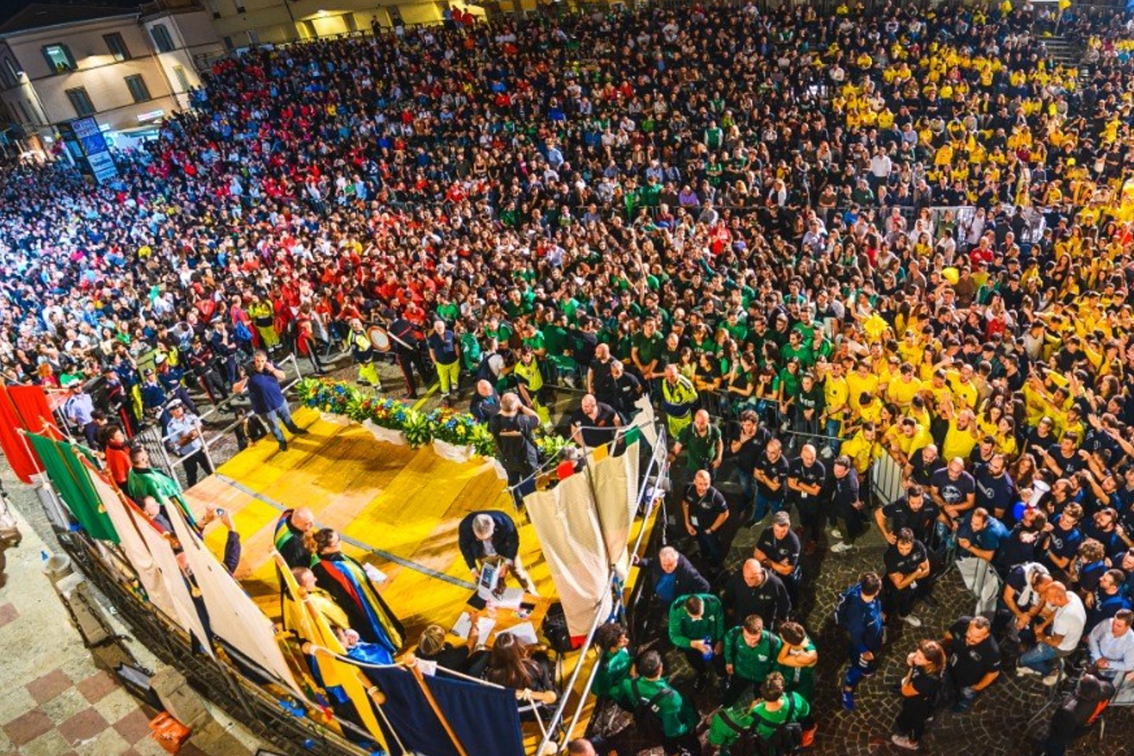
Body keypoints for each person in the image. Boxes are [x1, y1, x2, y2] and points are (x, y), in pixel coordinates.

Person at [309, 528, 404, 662]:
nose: (340, 544)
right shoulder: (321, 569)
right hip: (355, 603)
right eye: (336, 543)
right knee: (369, 624)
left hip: (364, 595)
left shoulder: (334, 555)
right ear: (326, 549)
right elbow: (339, 594)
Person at [613, 650, 699, 756]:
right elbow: (672, 731)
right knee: (689, 745)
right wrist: (689, 724)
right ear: (660, 668)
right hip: (664, 725)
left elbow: (619, 693)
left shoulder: (629, 684)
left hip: (651, 721)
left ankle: (672, 752)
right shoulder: (672, 699)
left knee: (668, 745)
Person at [1019, 582, 1087, 685]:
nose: (1046, 600)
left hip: (1061, 648)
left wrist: (1042, 637)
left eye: (1048, 598)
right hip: (1067, 635)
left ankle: (1053, 672)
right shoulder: (1070, 595)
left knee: (1023, 660)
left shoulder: (1064, 618)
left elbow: (1055, 643)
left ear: (1058, 598)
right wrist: (1043, 625)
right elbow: (1057, 611)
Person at [1033, 673, 1115, 756]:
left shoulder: (1070, 710)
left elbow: (1059, 726)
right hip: (1088, 724)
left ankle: (1047, 750)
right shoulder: (1107, 688)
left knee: (1057, 742)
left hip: (1072, 728)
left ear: (1081, 692)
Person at [457, 511, 538, 595]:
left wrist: (508, 563)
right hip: (484, 555)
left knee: (519, 572)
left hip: (505, 549)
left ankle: (532, 594)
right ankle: (501, 598)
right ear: (473, 531)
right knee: (492, 583)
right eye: (480, 539)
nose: (486, 541)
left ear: (494, 526)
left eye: (489, 537)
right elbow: (465, 548)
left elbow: (513, 543)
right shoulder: (465, 527)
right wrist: (473, 569)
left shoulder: (505, 522)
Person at [241, 350, 307, 452]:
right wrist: (244, 378)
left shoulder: (270, 365)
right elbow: (237, 389)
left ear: (266, 360)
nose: (260, 364)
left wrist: (272, 369)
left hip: (279, 401)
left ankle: (294, 429)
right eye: (258, 361)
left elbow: (283, 376)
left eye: (262, 361)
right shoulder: (248, 370)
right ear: (254, 360)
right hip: (265, 408)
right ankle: (282, 441)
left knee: (287, 418)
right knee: (273, 426)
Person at [837, 571, 884, 711]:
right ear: (876, 591)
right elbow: (856, 636)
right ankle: (847, 689)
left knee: (865, 667)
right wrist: (864, 651)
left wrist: (879, 613)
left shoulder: (859, 590)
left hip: (871, 640)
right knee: (859, 667)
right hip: (864, 647)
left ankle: (865, 669)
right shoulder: (858, 614)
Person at [891, 640, 947, 751]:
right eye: (916, 653)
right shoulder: (938, 664)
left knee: (915, 722)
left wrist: (910, 666)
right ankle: (928, 715)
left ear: (930, 662)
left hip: (918, 704)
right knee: (920, 716)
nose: (915, 658)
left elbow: (905, 691)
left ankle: (912, 742)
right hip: (928, 699)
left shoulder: (926, 681)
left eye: (920, 658)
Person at [126, 446, 198, 533]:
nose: (147, 454)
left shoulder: (132, 472)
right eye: (145, 453)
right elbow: (161, 498)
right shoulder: (149, 479)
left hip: (152, 504)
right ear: (142, 459)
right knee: (183, 525)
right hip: (167, 504)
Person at [488, 392, 541, 509]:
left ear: (501, 405)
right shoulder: (523, 420)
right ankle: (531, 507)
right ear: (516, 405)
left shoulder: (494, 421)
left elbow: (493, 428)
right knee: (528, 483)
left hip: (507, 458)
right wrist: (522, 406)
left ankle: (517, 502)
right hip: (525, 458)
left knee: (512, 480)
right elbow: (537, 419)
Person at [943, 615, 1001, 712]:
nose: (971, 639)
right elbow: (949, 634)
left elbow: (994, 673)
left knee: (966, 696)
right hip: (951, 669)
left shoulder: (992, 651)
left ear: (986, 635)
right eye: (970, 633)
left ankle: (962, 704)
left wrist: (978, 687)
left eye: (977, 637)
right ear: (969, 624)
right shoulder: (962, 622)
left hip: (968, 682)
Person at [483, 631, 558, 707]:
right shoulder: (534, 666)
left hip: (514, 710)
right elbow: (548, 688)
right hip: (538, 706)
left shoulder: (492, 675)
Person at [668, 593, 725, 691]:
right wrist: (692, 643)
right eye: (695, 617)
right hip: (690, 639)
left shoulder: (713, 602)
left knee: (718, 658)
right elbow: (674, 636)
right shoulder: (677, 609)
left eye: (701, 614)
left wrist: (720, 639)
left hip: (710, 635)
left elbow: (720, 620)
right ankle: (702, 673)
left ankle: (722, 676)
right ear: (685, 609)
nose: (699, 618)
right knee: (695, 661)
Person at [722, 613, 782, 705]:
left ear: (761, 631)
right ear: (743, 629)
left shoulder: (773, 642)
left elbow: (777, 663)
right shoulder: (735, 633)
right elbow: (728, 644)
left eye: (754, 638)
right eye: (746, 637)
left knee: (761, 701)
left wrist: (772, 680)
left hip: (762, 677)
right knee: (731, 696)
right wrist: (728, 661)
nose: (750, 642)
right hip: (741, 672)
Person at [775, 620, 818, 745]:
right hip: (789, 678)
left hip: (803, 683)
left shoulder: (809, 655)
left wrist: (787, 643)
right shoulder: (798, 638)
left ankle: (809, 727)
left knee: (804, 708)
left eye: (782, 637)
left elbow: (781, 659)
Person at [722, 558, 792, 630]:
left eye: (752, 578)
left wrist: (781, 620)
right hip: (740, 622)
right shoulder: (737, 578)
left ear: (760, 573)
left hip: (763, 625)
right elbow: (728, 595)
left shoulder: (775, 584)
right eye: (745, 577)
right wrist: (729, 608)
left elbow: (784, 605)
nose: (748, 581)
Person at [749, 672, 809, 754]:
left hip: (770, 747)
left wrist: (751, 709)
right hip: (789, 739)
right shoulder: (794, 699)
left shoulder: (756, 711)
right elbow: (805, 712)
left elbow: (749, 728)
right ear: (782, 691)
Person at [882, 528, 932, 627]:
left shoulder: (919, 546)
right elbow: (899, 585)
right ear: (897, 543)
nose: (904, 552)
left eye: (908, 548)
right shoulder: (890, 555)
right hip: (892, 587)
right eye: (901, 548)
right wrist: (917, 572)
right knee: (889, 604)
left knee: (908, 600)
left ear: (912, 543)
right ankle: (884, 623)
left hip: (912, 584)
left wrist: (907, 577)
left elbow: (926, 570)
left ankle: (904, 615)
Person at [681, 469, 729, 570]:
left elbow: (725, 513)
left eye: (706, 484)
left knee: (714, 546)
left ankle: (717, 565)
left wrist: (712, 529)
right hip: (695, 525)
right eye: (700, 484)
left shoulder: (715, 496)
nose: (703, 487)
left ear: (710, 482)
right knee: (701, 542)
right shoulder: (688, 489)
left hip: (709, 528)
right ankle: (704, 556)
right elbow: (685, 503)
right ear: (694, 482)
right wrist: (687, 522)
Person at [754, 512, 802, 606]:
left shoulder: (793, 542)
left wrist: (766, 560)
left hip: (785, 577)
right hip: (767, 571)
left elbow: (786, 571)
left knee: (787, 595)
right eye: (776, 530)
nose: (779, 534)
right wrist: (778, 565)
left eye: (783, 531)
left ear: (788, 526)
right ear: (772, 525)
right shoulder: (766, 532)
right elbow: (756, 555)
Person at [786, 444, 826, 553]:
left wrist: (799, 482)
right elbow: (790, 484)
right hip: (798, 497)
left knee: (815, 520)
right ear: (801, 455)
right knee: (802, 512)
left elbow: (815, 491)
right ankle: (803, 526)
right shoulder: (795, 463)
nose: (810, 461)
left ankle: (813, 540)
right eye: (807, 458)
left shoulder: (820, 468)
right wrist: (808, 487)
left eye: (812, 457)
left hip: (814, 500)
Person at [164, 399, 212, 487]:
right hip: (187, 454)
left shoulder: (191, 417)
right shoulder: (171, 426)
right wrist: (191, 435)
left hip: (199, 448)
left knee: (210, 468)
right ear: (171, 412)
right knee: (191, 476)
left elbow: (201, 427)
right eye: (175, 409)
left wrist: (187, 436)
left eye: (179, 407)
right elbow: (179, 443)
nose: (178, 410)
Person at [415, 622, 488, 677]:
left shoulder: (417, 653)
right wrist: (474, 623)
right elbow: (472, 641)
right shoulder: (451, 657)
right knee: (484, 654)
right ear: (441, 644)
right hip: (460, 676)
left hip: (438, 679)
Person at [829, 455, 866, 553]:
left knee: (843, 524)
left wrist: (856, 504)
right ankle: (842, 532)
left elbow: (855, 502)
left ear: (847, 470)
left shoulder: (850, 484)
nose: (836, 473)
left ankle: (847, 543)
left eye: (839, 471)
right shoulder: (848, 469)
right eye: (835, 469)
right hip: (840, 501)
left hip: (845, 509)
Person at [1087, 608, 1134, 683]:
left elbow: (1128, 666)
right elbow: (1092, 637)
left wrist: (1108, 664)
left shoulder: (1131, 642)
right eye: (1114, 622)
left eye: (1118, 626)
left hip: (1110, 671)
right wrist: (1098, 657)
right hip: (1094, 657)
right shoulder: (1107, 622)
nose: (1114, 627)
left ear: (1127, 627)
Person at [592, 621, 632, 699]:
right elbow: (608, 690)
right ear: (612, 647)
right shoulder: (608, 668)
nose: (627, 640)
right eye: (621, 641)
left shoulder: (619, 650)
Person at [427, 320, 461, 401]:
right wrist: (434, 361)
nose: (440, 329)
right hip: (441, 364)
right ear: (435, 328)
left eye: (441, 327)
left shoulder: (450, 334)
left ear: (444, 327)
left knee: (454, 377)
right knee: (443, 379)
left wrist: (458, 356)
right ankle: (445, 394)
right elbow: (431, 351)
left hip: (453, 362)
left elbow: (456, 345)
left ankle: (455, 390)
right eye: (438, 328)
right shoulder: (432, 338)